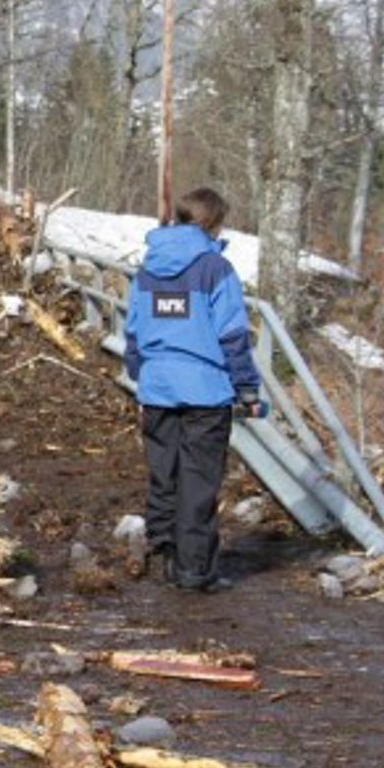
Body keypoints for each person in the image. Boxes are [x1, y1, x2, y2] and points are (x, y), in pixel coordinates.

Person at [123, 188, 266, 593]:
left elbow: (132, 330)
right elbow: (233, 335)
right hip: (205, 392)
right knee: (198, 481)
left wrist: (141, 372)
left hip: (157, 388)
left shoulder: (148, 269)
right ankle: (194, 571)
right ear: (212, 224)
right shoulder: (215, 269)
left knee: (164, 474)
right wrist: (247, 388)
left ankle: (164, 554)